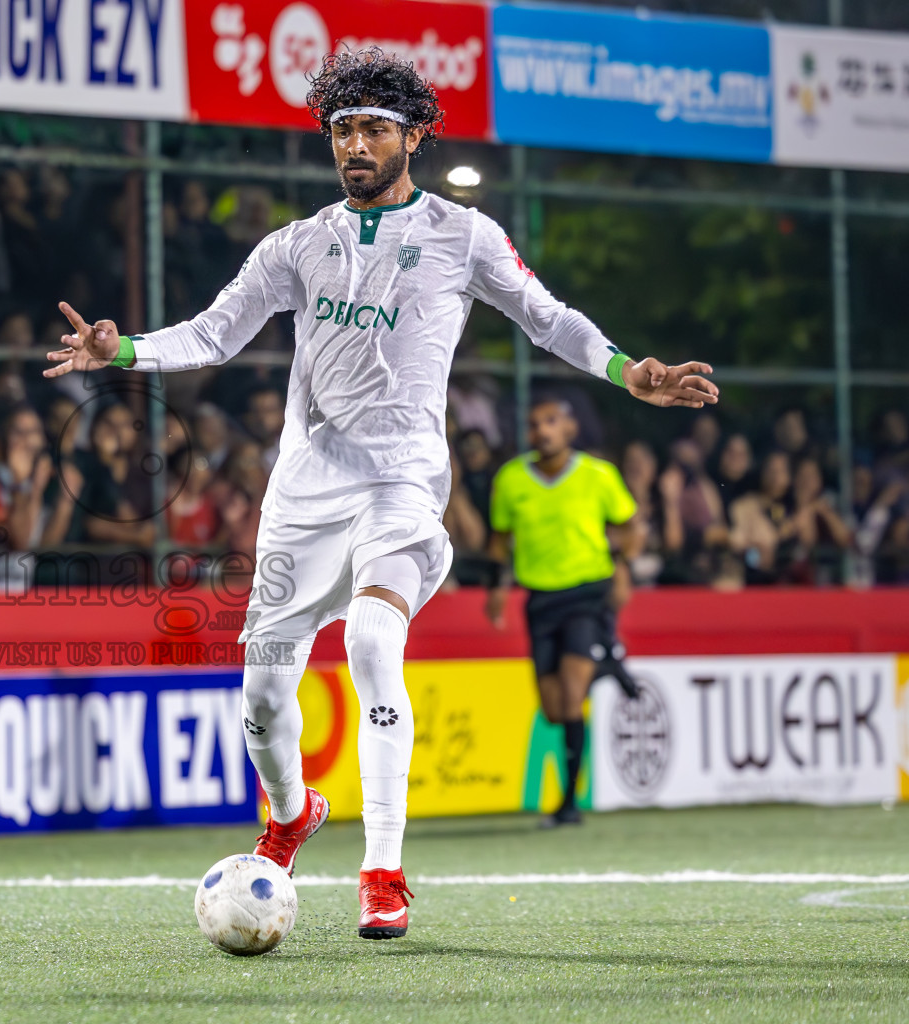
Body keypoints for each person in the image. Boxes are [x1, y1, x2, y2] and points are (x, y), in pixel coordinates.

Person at [42, 49, 718, 942]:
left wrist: (629, 372)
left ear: (414, 138)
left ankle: (384, 870)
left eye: (372, 129)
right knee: (262, 695)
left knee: (370, 636)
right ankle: (291, 816)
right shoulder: (297, 245)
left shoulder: (463, 235)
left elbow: (547, 317)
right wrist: (120, 350)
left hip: (402, 482)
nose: (354, 146)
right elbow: (212, 333)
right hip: (304, 491)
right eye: (341, 132)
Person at [484, 398, 648, 828]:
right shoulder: (512, 478)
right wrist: (498, 586)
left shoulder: (598, 475)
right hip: (540, 599)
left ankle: (569, 804)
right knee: (554, 709)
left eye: (551, 422)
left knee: (573, 699)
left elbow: (632, 525)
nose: (542, 431)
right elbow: (500, 539)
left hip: (587, 593)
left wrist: (624, 567)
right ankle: (605, 666)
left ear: (570, 429)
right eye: (535, 423)